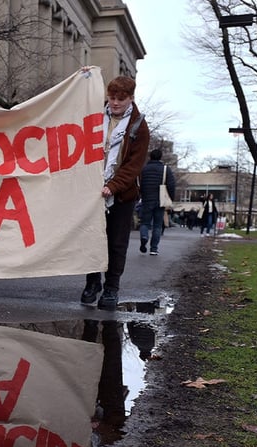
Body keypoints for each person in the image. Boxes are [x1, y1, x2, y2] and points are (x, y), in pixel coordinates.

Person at [80, 75, 149, 311]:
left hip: (122, 194)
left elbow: (133, 165)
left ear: (131, 98)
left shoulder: (139, 126)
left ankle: (112, 287)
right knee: (91, 238)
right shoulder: (94, 118)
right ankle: (92, 282)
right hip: (92, 189)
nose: (115, 103)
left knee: (116, 243)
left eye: (121, 99)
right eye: (112, 97)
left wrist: (113, 185)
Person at [138, 149, 175, 256]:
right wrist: (170, 198)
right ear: (160, 157)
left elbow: (139, 183)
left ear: (150, 157)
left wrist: (140, 195)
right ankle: (153, 248)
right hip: (160, 200)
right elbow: (171, 185)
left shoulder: (144, 169)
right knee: (157, 225)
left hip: (146, 199)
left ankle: (144, 236)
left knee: (145, 222)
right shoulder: (165, 169)